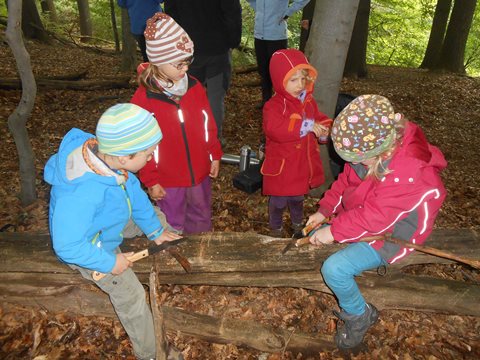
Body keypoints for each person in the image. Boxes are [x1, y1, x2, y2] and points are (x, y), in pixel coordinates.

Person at [306, 94, 447, 351]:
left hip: (397, 233)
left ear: (381, 150)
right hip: (374, 212)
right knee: (327, 232)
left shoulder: (406, 173)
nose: (354, 164)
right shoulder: (368, 152)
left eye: (358, 159)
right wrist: (325, 211)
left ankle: (359, 315)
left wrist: (335, 231)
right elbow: (345, 182)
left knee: (334, 269)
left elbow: (376, 220)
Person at [44, 103, 183, 360]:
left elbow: (135, 197)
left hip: (111, 217)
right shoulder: (80, 193)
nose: (152, 158)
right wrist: (109, 261)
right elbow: (67, 244)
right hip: (90, 244)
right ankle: (152, 353)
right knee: (131, 294)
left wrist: (155, 232)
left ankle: (166, 233)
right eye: (149, 153)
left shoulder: (113, 163)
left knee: (155, 215)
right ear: (125, 157)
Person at [131, 13, 223, 235]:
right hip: (167, 178)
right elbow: (140, 145)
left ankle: (201, 250)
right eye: (179, 64)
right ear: (157, 61)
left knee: (201, 215)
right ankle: (173, 255)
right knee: (173, 221)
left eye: (187, 62)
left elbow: (207, 124)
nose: (185, 69)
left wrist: (214, 154)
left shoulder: (194, 87)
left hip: (199, 172)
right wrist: (151, 180)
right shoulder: (144, 100)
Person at [261, 49, 332, 237]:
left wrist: (324, 128)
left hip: (300, 164)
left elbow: (320, 118)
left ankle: (297, 224)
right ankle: (275, 229)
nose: (299, 85)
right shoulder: (274, 105)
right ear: (280, 80)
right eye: (293, 80)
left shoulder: (308, 102)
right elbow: (274, 129)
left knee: (297, 198)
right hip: (282, 164)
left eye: (302, 79)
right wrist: (306, 125)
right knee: (278, 200)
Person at [164, 0, 242, 145]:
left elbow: (171, 13)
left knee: (189, 94)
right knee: (214, 96)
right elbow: (233, 12)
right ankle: (213, 138)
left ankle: (190, 134)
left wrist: (178, 41)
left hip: (191, 47)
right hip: (215, 48)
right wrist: (233, 41)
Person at [247, 0, 310, 108]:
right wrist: (259, 10)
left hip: (276, 36)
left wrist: (288, 12)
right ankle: (266, 101)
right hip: (259, 35)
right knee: (263, 71)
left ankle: (282, 104)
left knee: (279, 73)